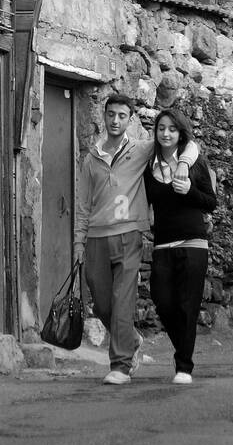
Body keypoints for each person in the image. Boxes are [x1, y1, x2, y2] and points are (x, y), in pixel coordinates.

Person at [73, 87, 200, 385]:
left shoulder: (141, 149)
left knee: (122, 301)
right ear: (103, 117)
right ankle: (131, 339)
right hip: (96, 238)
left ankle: (120, 366)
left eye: (122, 116)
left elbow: (189, 144)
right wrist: (78, 242)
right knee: (103, 304)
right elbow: (82, 205)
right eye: (111, 115)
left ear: (130, 119)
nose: (116, 120)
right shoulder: (91, 158)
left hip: (129, 235)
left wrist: (182, 164)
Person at [144, 107, 217, 384]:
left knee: (188, 306)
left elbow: (211, 202)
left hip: (193, 243)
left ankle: (183, 367)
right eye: (161, 128)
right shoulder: (149, 164)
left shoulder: (196, 163)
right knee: (163, 302)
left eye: (172, 129)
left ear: (180, 133)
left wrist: (190, 192)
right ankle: (183, 348)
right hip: (163, 245)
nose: (166, 133)